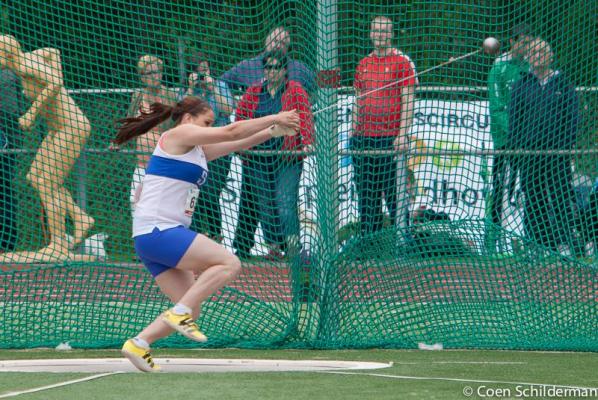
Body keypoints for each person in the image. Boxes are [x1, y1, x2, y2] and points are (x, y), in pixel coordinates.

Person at [113, 96, 299, 372]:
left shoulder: (196, 150)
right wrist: (275, 117)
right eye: (207, 122)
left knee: (192, 305)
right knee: (229, 263)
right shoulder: (179, 133)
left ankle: (140, 343)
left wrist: (272, 132)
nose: (211, 127)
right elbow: (231, 131)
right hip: (159, 230)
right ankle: (179, 314)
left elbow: (236, 143)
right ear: (188, 118)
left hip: (151, 236)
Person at [0, 35, 95, 262]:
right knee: (34, 176)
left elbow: (54, 82)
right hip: (56, 130)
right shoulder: (29, 59)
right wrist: (58, 71)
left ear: (6, 54)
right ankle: (79, 217)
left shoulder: (25, 65)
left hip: (71, 128)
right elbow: (53, 51)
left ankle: (58, 244)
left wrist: (31, 114)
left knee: (47, 183)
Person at [233, 51, 313, 260]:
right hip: (258, 157)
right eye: (268, 67)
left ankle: (293, 245)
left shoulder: (295, 90)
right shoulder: (254, 92)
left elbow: (304, 116)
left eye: (276, 67)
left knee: (285, 201)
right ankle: (274, 246)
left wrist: (307, 142)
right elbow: (241, 117)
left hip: (286, 157)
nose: (272, 71)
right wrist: (239, 143)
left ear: (285, 70)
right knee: (265, 205)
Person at [509, 39, 581, 256]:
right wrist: (517, 148)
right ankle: (538, 244)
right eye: (533, 52)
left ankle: (566, 244)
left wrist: (567, 147)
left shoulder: (563, 84)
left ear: (550, 56)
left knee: (561, 197)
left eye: (542, 51)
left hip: (557, 153)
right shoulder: (521, 84)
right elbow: (514, 119)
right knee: (533, 198)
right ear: (527, 57)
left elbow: (573, 117)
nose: (537, 55)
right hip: (530, 153)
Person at [351, 16, 417, 236]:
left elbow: (408, 100)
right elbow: (358, 101)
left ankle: (404, 244)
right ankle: (369, 244)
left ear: (391, 34)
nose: (380, 35)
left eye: (385, 31)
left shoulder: (402, 62)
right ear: (370, 34)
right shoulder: (363, 64)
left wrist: (402, 134)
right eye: (376, 31)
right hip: (364, 139)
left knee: (395, 194)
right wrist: (353, 133)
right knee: (366, 196)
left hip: (389, 139)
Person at [485, 23, 532, 253]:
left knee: (527, 192)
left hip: (531, 144)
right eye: (522, 41)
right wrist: (513, 137)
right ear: (513, 42)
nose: (525, 46)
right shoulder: (499, 67)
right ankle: (493, 242)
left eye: (528, 42)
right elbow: (497, 107)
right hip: (506, 144)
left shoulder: (531, 67)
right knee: (501, 189)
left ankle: (528, 242)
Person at [186, 51, 235, 242]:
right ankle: (197, 234)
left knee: (211, 190)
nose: (201, 75)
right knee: (193, 190)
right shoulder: (190, 92)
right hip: (194, 149)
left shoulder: (220, 86)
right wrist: (191, 88)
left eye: (204, 70)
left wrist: (212, 87)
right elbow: (179, 113)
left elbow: (228, 108)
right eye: (198, 72)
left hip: (219, 150)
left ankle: (215, 234)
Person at [126, 55, 177, 215]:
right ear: (142, 77)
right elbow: (129, 123)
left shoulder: (170, 96)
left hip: (163, 163)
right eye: (148, 73)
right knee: (136, 203)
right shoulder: (138, 96)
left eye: (157, 72)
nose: (154, 76)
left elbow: (177, 126)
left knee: (161, 207)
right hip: (141, 163)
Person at [221, 26, 316, 93]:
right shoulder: (248, 66)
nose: (278, 46)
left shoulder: (297, 68)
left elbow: (323, 81)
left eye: (283, 43)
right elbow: (221, 83)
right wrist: (231, 102)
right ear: (266, 41)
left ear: (287, 49)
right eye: (275, 41)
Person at [0, 67, 23, 252]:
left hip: (5, 143)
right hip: (8, 139)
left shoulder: (6, 75)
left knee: (4, 189)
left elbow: (10, 113)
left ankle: (5, 242)